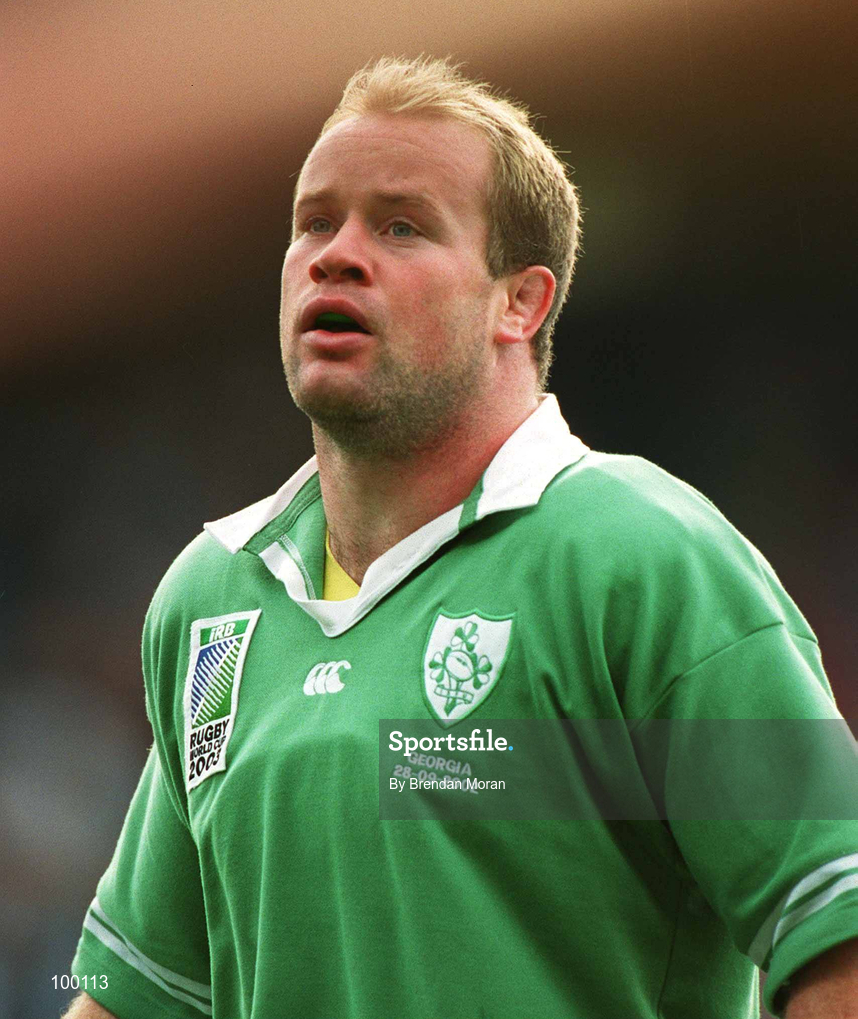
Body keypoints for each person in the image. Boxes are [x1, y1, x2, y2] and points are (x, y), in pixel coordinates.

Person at [66, 56, 858, 1019]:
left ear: (520, 302)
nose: (336, 254)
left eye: (401, 225)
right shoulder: (212, 599)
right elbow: (134, 1000)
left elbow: (838, 930)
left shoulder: (650, 558)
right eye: (315, 221)